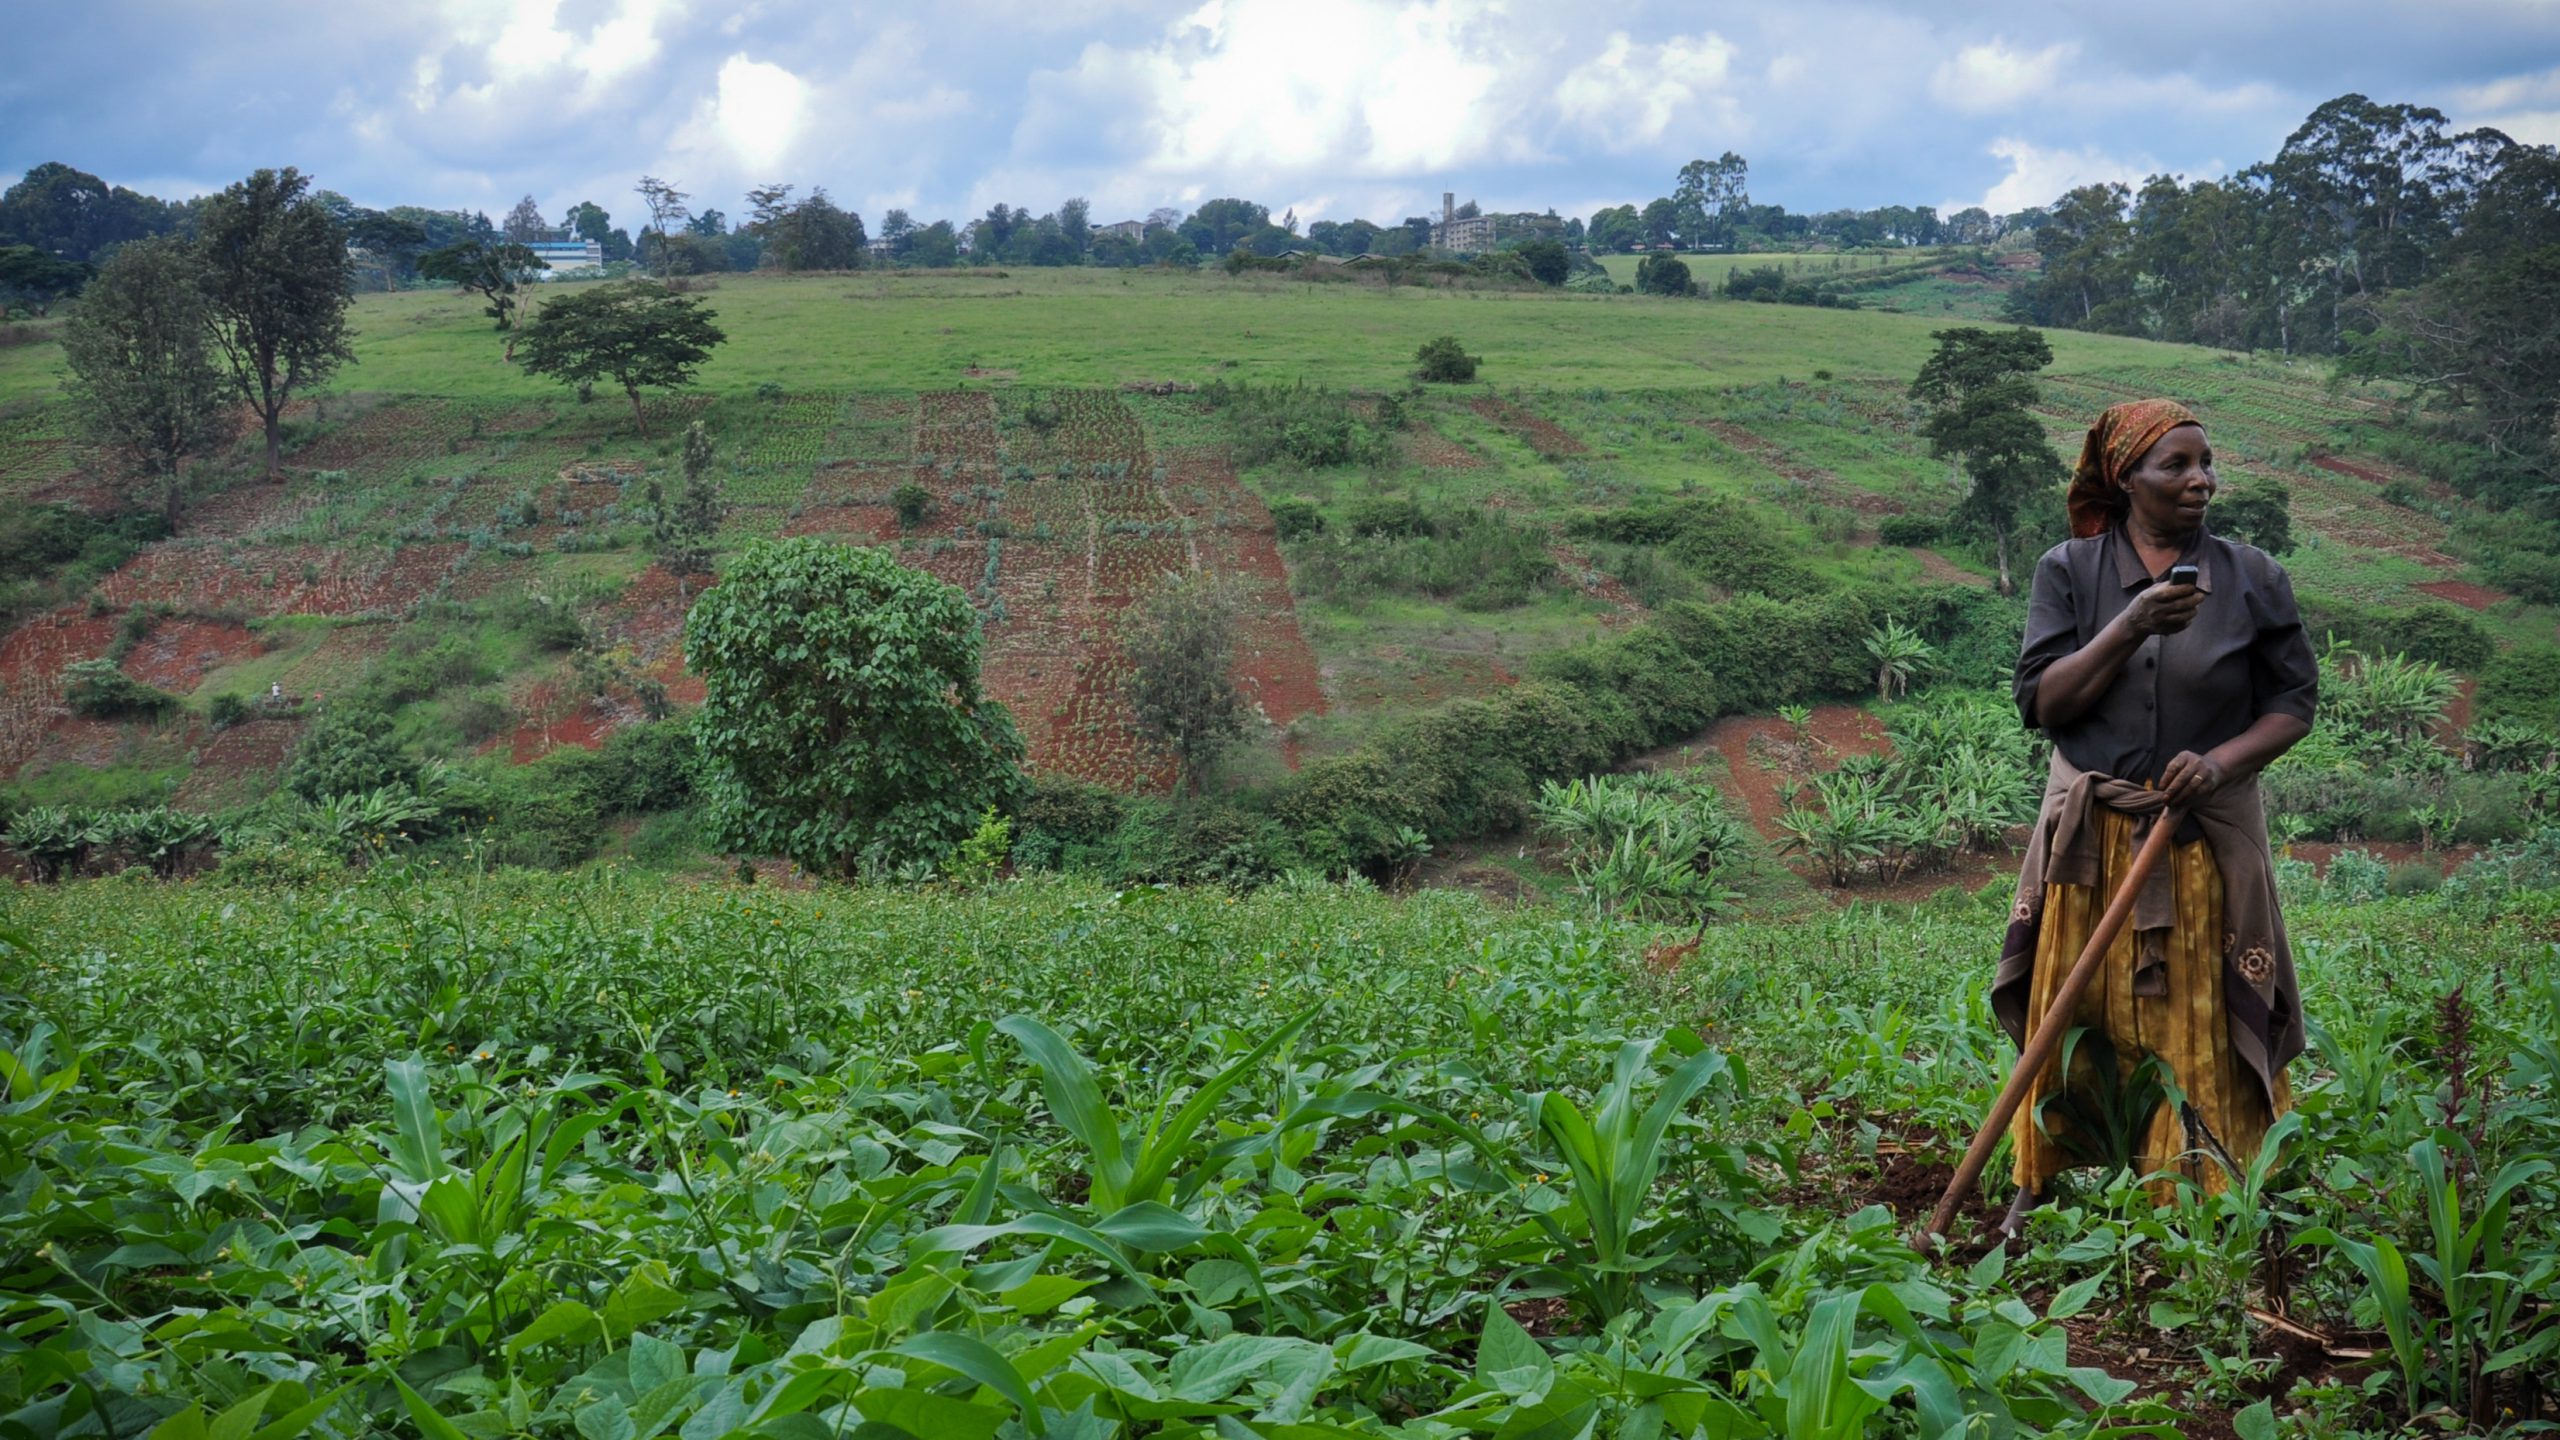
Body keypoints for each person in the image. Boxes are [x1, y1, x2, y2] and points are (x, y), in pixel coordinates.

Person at [1995, 399, 2316, 1238]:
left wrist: (2219, 763)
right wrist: (2130, 625)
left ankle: (2201, 1179)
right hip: (2092, 839)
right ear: (2125, 476)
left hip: (2198, 835)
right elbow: (2042, 701)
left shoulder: (2252, 577)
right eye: (2176, 465)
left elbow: (2292, 703)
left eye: (2206, 462)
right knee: (2078, 1006)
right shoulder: (2069, 569)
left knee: (2195, 1010)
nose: (2200, 480)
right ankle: (2045, 1173)